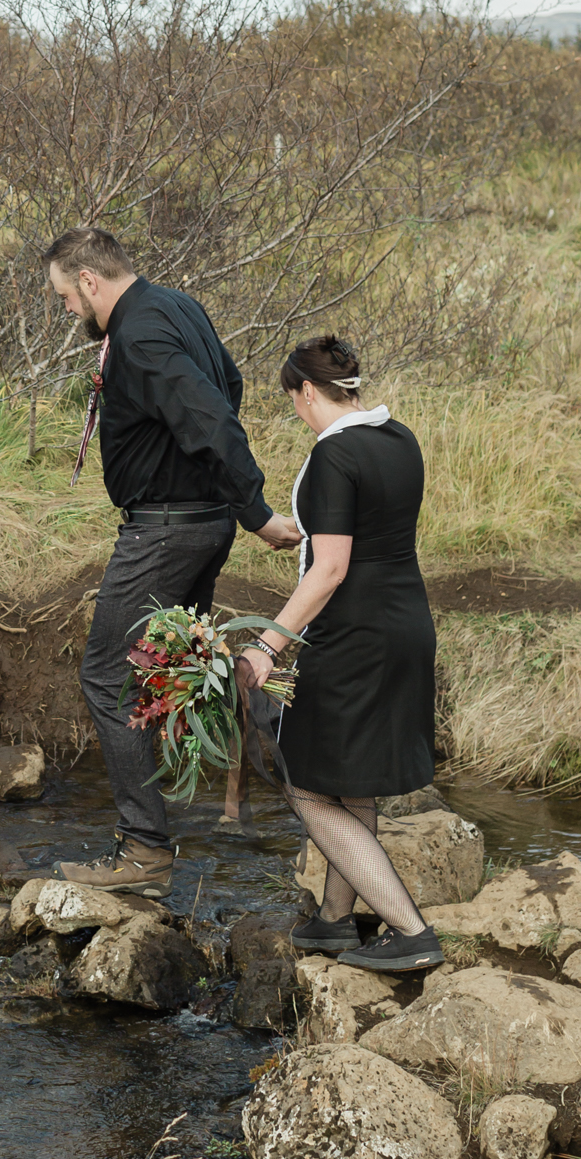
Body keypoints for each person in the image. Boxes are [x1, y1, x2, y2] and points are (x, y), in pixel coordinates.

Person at [42, 226, 300, 898]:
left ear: (90, 281)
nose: (68, 309)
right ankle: (275, 785)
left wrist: (258, 512)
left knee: (107, 677)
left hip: (166, 532)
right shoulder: (176, 304)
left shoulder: (141, 333)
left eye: (66, 296)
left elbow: (212, 418)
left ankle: (146, 853)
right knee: (169, 677)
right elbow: (231, 383)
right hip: (197, 523)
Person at [236, 333, 443, 973]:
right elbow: (372, 526)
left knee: (303, 779)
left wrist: (268, 645)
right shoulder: (398, 439)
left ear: (304, 392)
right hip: (407, 624)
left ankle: (410, 932)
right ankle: (333, 921)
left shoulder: (332, 457)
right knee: (351, 778)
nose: (295, 410)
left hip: (352, 638)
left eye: (292, 399)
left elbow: (329, 570)